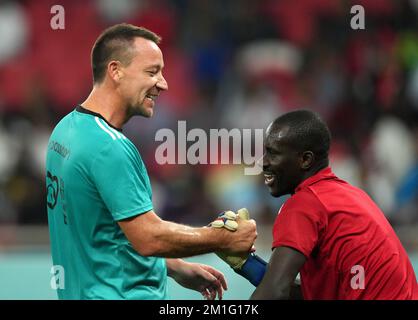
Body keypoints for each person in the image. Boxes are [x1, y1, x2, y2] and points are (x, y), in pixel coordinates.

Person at [45, 23, 257, 300]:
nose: (163, 83)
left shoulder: (66, 130)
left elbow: (103, 231)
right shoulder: (109, 148)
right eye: (152, 71)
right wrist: (222, 238)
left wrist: (172, 266)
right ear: (115, 71)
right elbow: (149, 237)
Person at [217, 110, 417, 299]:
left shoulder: (304, 205)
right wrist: (246, 264)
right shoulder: (349, 195)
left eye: (273, 153)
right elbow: (304, 293)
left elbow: (274, 291)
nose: (264, 162)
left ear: (305, 160)